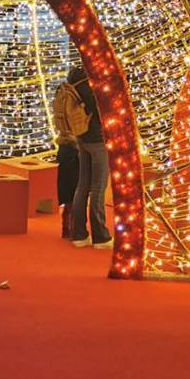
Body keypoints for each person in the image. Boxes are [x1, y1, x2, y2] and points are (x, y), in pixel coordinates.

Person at [66, 69, 111, 248]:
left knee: (82, 185)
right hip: (97, 140)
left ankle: (78, 234)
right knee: (98, 188)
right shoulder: (91, 83)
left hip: (81, 138)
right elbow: (100, 112)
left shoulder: (73, 79)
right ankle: (100, 237)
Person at [51, 66, 87, 239]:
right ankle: (73, 226)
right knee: (78, 187)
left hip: (63, 145)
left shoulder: (61, 93)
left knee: (66, 187)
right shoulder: (76, 96)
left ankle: (66, 225)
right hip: (75, 146)